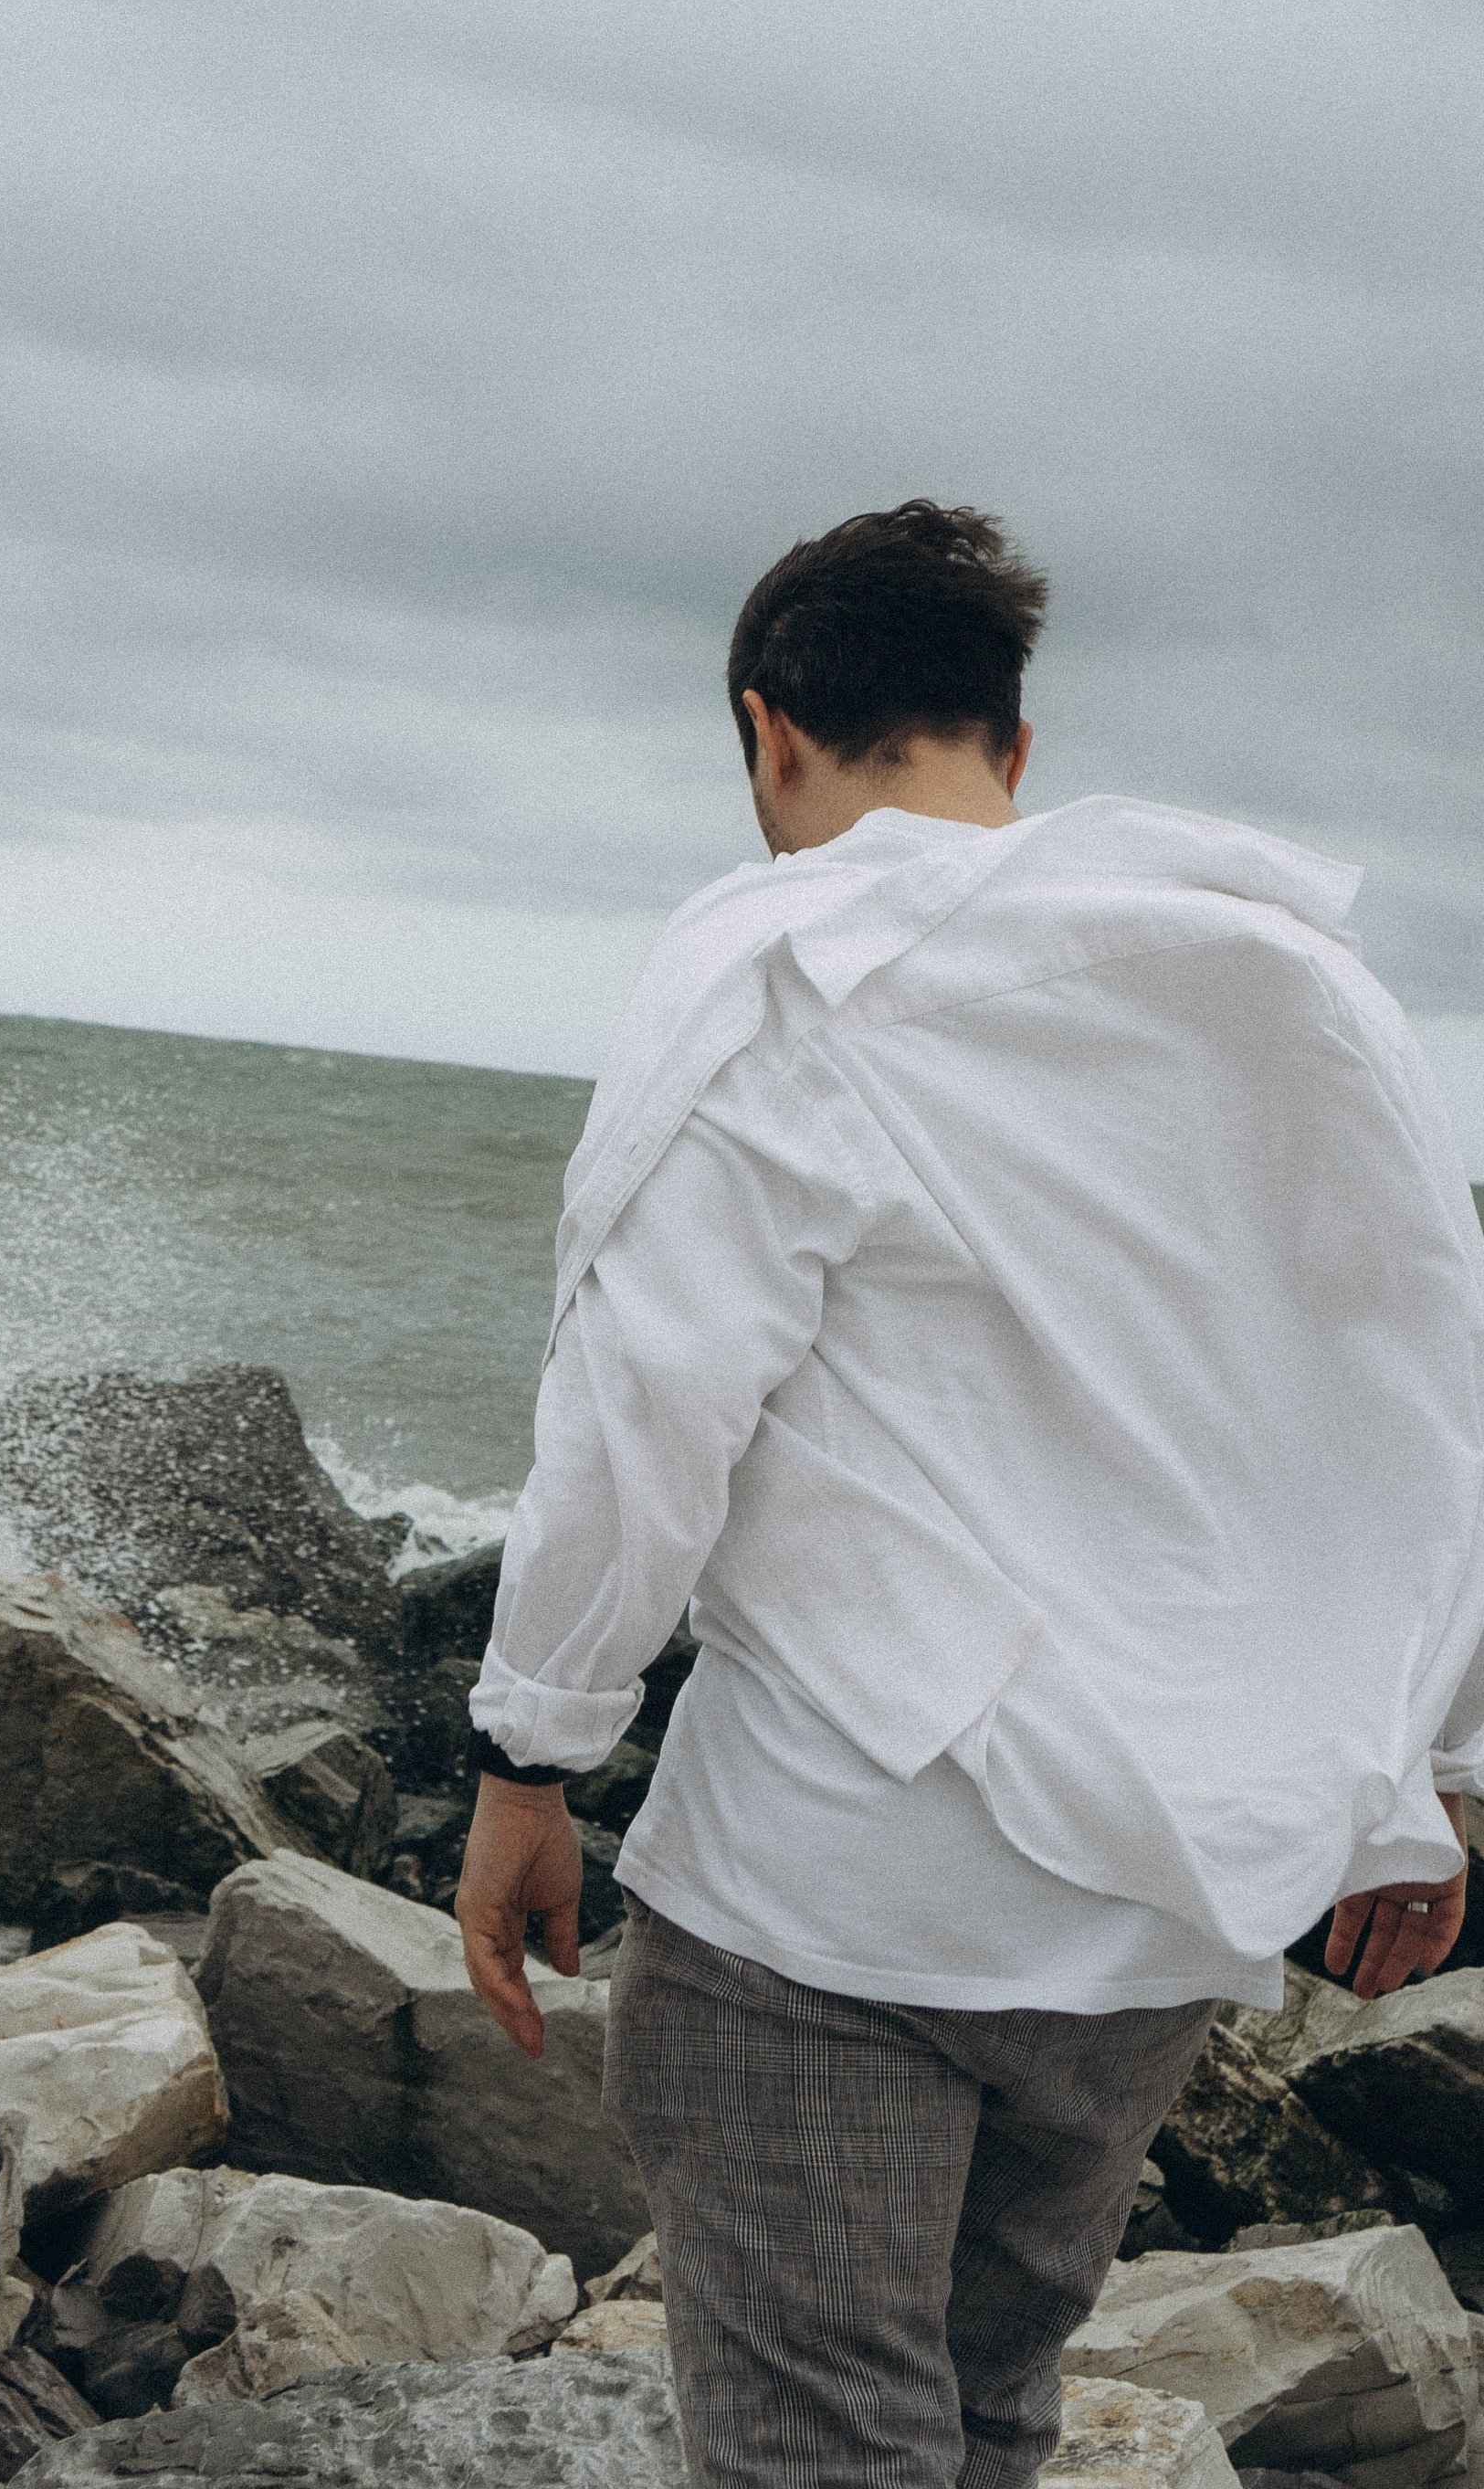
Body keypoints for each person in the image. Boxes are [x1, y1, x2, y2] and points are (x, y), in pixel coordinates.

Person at [457, 499, 1484, 2489]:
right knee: (988, 2415)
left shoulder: (772, 977)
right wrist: (1432, 1764)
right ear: (1009, 748)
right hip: (1160, 1903)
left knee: (817, 2448)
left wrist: (529, 1754)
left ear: (767, 732)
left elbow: (641, 1412)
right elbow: (1418, 1386)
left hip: (832, 1898)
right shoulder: (1292, 990)